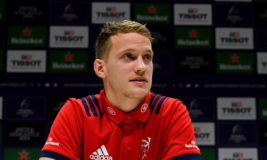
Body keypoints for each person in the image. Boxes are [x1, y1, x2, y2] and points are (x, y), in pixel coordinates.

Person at [39, 20, 201, 160]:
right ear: (100, 68)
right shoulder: (77, 113)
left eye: (147, 57)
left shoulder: (170, 111)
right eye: (128, 56)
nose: (141, 67)